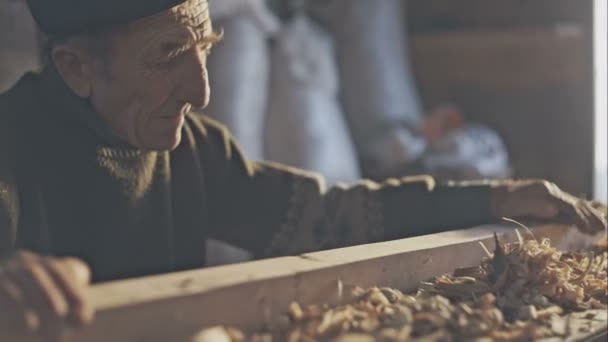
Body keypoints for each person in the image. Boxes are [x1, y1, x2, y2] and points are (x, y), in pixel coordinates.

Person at [0, 0, 605, 340]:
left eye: (205, 47)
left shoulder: (193, 151)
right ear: (77, 68)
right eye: (167, 55)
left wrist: (490, 198)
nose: (201, 91)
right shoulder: (11, 149)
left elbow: (329, 215)